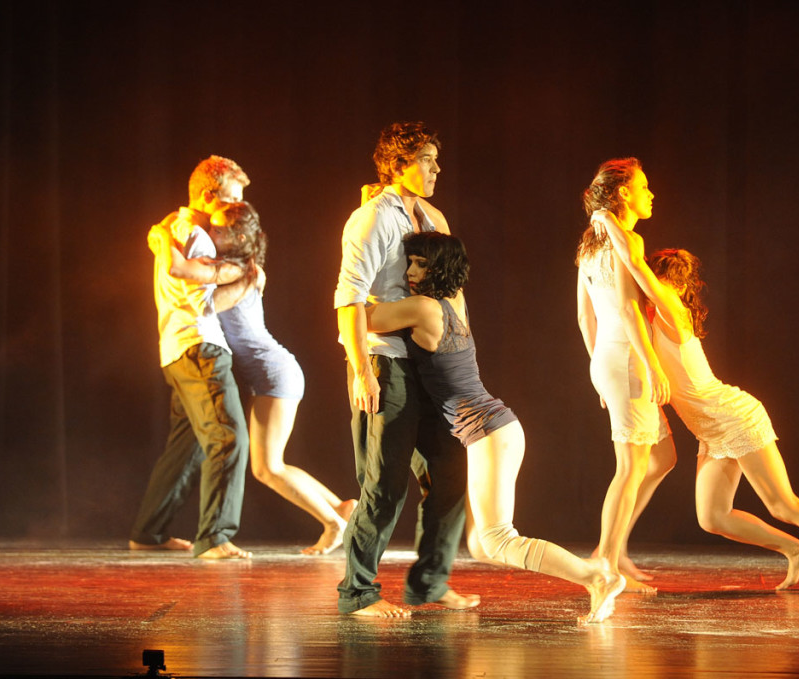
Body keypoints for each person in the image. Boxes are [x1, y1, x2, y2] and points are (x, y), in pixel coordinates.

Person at [594, 209, 799, 591]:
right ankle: (797, 550)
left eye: (661, 279)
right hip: (712, 430)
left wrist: (607, 219)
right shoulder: (650, 318)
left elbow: (635, 267)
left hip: (735, 417)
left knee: (783, 504)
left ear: (674, 284)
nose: (654, 286)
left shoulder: (671, 309)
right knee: (713, 517)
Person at [365, 231, 626, 624]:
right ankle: (594, 578)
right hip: (494, 430)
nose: (411, 270)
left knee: (498, 539)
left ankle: (596, 576)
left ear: (440, 268)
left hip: (489, 431)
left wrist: (361, 271)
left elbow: (358, 313)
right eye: (411, 261)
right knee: (481, 545)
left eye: (422, 263)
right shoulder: (454, 299)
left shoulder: (422, 308)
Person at [334, 122, 477, 617]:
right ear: (398, 165)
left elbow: (450, 284)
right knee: (384, 484)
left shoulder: (433, 214)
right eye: (426, 159)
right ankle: (358, 593)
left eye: (437, 159)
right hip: (386, 361)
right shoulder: (372, 219)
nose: (437, 168)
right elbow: (349, 298)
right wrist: (361, 371)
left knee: (451, 475)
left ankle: (430, 584)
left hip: (430, 365)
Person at [162, 201, 359, 555]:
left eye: (219, 229)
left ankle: (333, 523)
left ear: (238, 237)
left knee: (267, 468)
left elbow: (204, 306)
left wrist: (173, 248)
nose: (212, 232)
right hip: (272, 375)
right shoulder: (238, 267)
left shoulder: (239, 269)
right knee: (271, 465)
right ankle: (339, 508)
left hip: (275, 372)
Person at [129, 155, 252, 559]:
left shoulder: (175, 228)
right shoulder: (195, 237)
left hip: (177, 350)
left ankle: (150, 532)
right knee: (228, 436)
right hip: (200, 348)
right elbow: (205, 304)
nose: (237, 210)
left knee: (187, 446)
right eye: (232, 199)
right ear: (207, 195)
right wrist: (248, 279)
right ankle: (215, 536)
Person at [576, 158, 677, 589]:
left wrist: (597, 370)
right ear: (623, 194)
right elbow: (629, 310)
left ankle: (611, 551)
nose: (650, 194)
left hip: (609, 359)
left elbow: (585, 318)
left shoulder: (588, 244)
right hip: (628, 359)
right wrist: (651, 367)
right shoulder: (624, 240)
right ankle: (607, 567)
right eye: (644, 187)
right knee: (630, 467)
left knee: (662, 457)